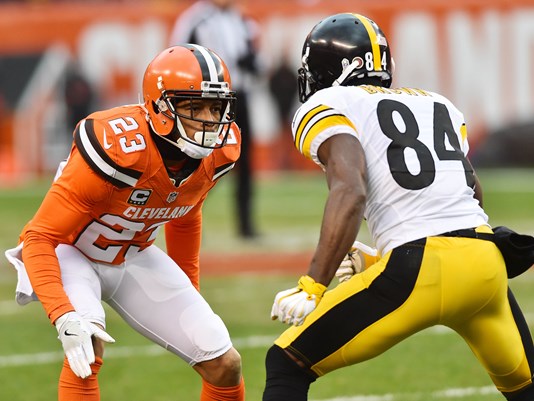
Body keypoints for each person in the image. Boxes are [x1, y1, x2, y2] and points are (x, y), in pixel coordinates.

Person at [263, 13, 534, 401]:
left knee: (287, 362)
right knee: (526, 388)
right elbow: (469, 191)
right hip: (484, 262)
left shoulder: (330, 102)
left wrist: (313, 285)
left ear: (338, 68)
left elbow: (350, 190)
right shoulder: (436, 103)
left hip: (418, 268)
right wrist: (381, 259)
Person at [4, 44, 245, 401]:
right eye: (194, 107)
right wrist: (64, 315)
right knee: (86, 347)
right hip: (71, 253)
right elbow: (39, 237)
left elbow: (185, 213)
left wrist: (188, 289)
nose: (209, 119)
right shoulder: (117, 146)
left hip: (133, 255)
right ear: (160, 107)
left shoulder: (218, 153)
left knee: (225, 364)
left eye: (215, 106)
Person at [169, 0, 260, 238]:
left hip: (239, 96)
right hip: (206, 101)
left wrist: (252, 62)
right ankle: (181, 216)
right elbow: (176, 56)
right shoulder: (195, 19)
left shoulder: (240, 19)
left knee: (244, 160)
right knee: (197, 158)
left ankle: (246, 224)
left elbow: (256, 60)